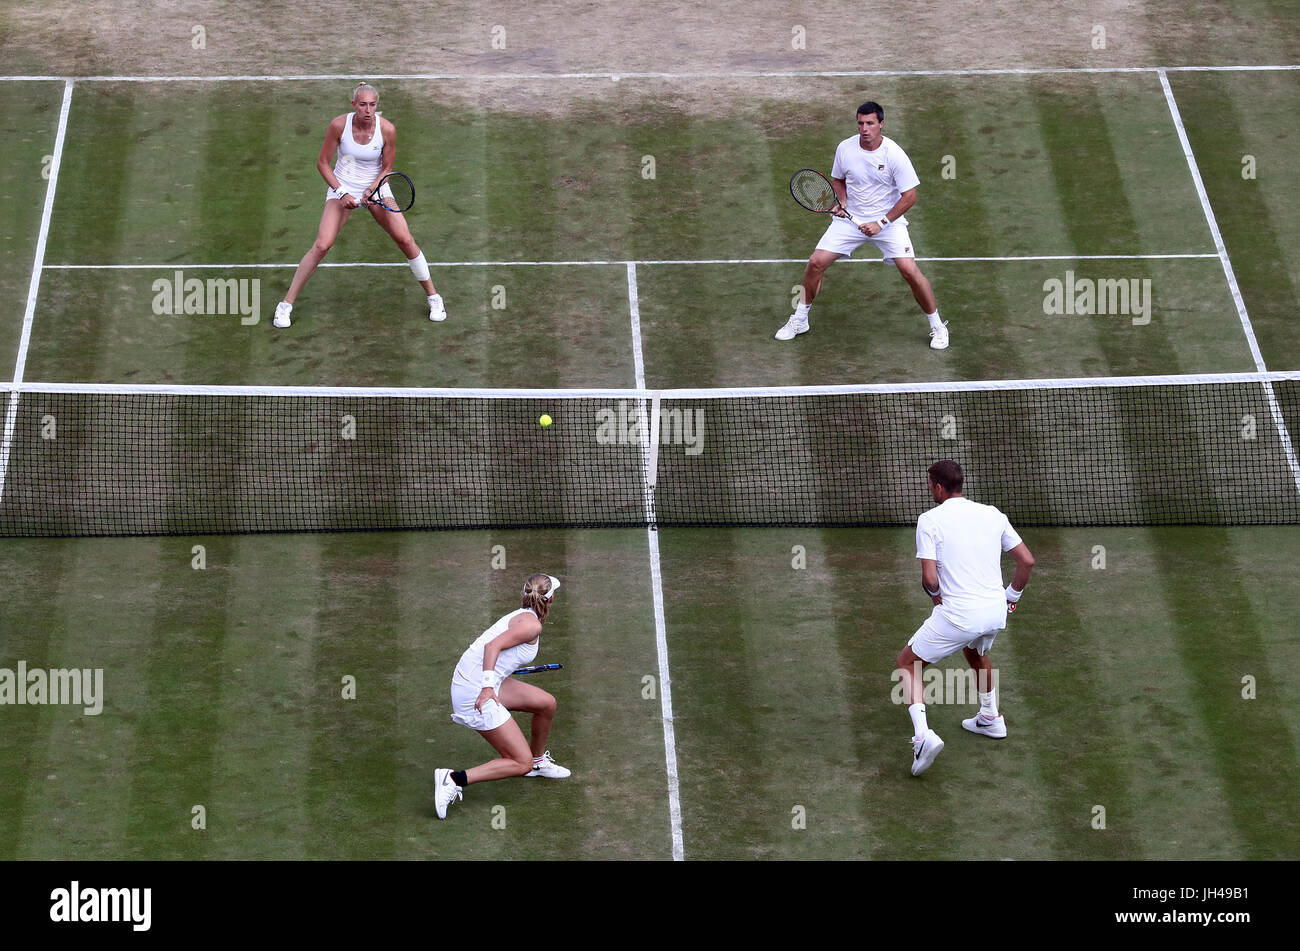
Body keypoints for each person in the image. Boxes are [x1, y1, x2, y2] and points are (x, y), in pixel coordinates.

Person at [895, 460, 1034, 776]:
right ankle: (990, 718)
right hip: (994, 611)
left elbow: (930, 579)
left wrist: (935, 596)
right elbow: (1027, 561)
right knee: (975, 651)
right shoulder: (993, 514)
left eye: (930, 484)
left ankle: (922, 737)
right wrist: (1011, 598)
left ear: (938, 487)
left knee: (907, 663)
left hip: (961, 614)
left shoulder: (929, 520)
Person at [272, 82, 446, 328]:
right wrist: (341, 192)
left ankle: (434, 297)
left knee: (405, 240)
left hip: (377, 187)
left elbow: (387, 168)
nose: (367, 109)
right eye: (362, 104)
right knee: (322, 245)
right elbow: (322, 163)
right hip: (342, 185)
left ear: (377, 105)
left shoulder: (387, 130)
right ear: (354, 105)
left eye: (372, 105)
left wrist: (372, 189)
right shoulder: (338, 126)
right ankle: (285, 305)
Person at [776, 101, 947, 350]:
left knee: (909, 271)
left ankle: (938, 327)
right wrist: (841, 202)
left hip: (888, 222)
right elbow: (838, 179)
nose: (864, 128)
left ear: (881, 124)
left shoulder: (894, 154)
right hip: (849, 219)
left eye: (870, 123)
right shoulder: (845, 148)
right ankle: (800, 319)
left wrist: (881, 223)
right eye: (860, 123)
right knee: (815, 262)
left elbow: (910, 197)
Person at [434, 574, 571, 819]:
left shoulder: (522, 616)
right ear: (550, 600)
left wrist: (497, 675)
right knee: (520, 763)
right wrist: (487, 687)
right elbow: (491, 648)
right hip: (475, 689)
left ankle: (538, 762)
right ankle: (453, 778)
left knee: (546, 704)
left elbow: (498, 652)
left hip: (479, 678)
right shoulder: (531, 625)